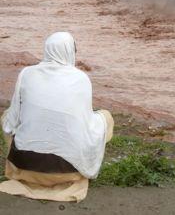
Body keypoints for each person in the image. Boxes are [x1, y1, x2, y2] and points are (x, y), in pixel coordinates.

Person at [0, 32, 113, 202]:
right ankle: (81, 167)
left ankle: (18, 172)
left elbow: (11, 121)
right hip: (67, 172)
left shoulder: (27, 74)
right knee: (105, 118)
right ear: (69, 52)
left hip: (25, 166)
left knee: (7, 116)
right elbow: (85, 124)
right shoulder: (81, 78)